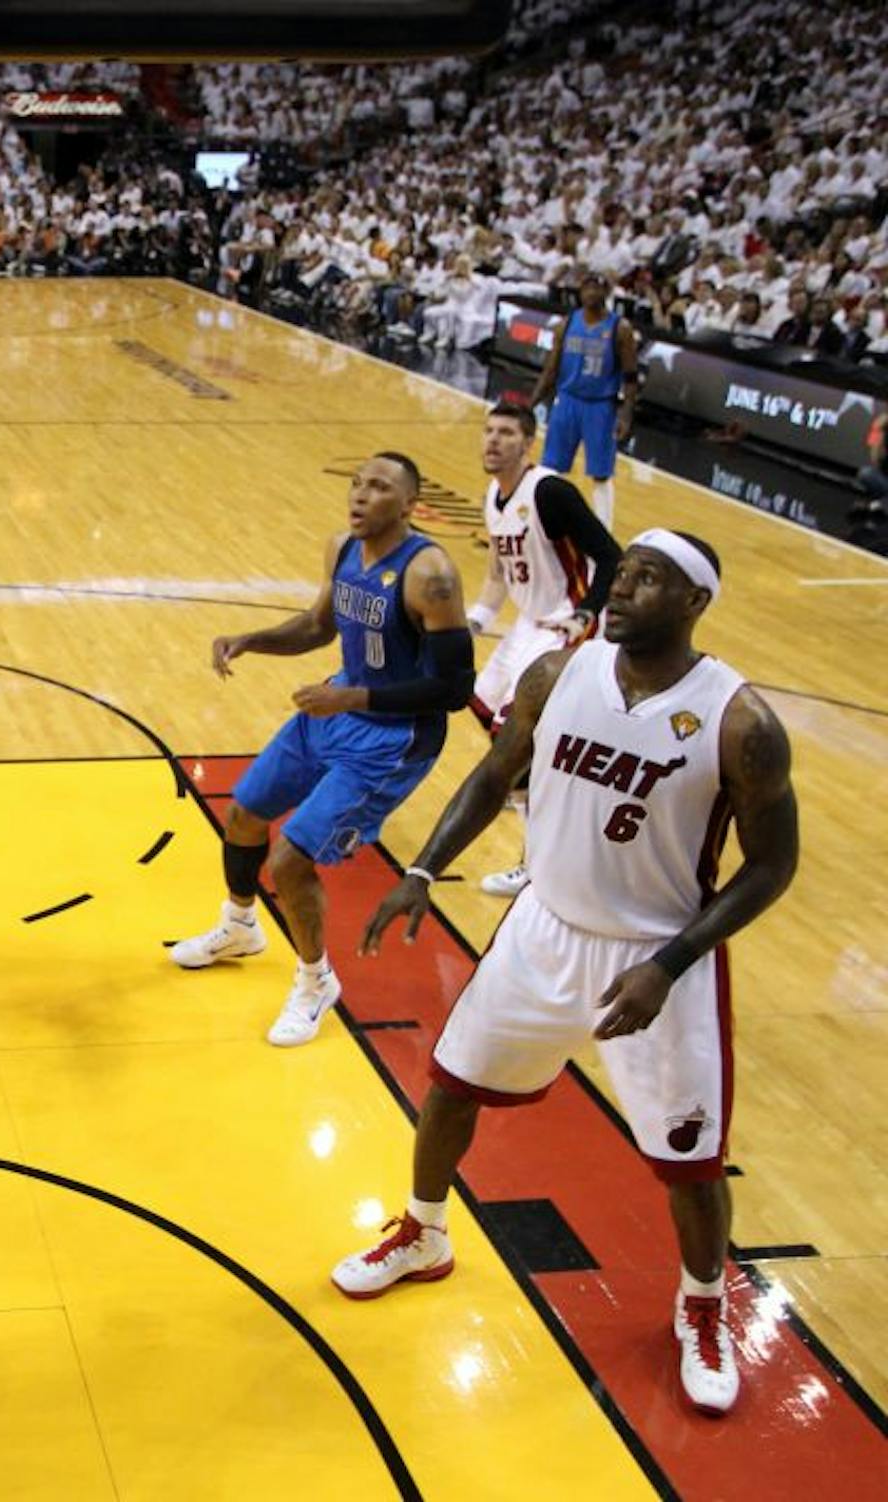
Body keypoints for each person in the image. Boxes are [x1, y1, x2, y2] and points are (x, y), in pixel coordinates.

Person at [342, 529, 799, 1418]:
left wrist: (668, 965)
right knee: (450, 1088)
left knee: (691, 1161)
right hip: (543, 929)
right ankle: (423, 1234)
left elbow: (771, 866)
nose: (621, 587)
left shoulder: (740, 722)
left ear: (696, 602)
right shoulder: (557, 675)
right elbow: (492, 772)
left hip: (657, 954)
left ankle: (702, 1307)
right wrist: (422, 870)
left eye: (650, 579)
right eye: (622, 571)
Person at [171, 454, 472, 1045]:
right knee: (243, 813)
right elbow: (318, 627)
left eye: (379, 488)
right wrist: (251, 640)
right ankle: (239, 927)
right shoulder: (341, 549)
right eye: (357, 484)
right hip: (338, 707)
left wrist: (356, 697)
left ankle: (316, 983)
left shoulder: (429, 574)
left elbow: (455, 690)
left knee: (288, 860)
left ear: (410, 504)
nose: (360, 495)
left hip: (394, 739)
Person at [465, 402, 620, 896]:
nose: (493, 440)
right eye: (488, 431)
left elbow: (612, 555)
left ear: (527, 443)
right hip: (527, 624)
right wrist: (476, 620)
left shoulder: (549, 491)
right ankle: (537, 794)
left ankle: (537, 862)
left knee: (515, 734)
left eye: (506, 433)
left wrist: (586, 613)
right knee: (481, 699)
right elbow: (498, 573)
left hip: (564, 625)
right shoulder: (494, 495)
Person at [529, 271, 639, 526]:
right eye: (586, 287)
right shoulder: (566, 324)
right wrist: (530, 404)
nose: (591, 293)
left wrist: (626, 413)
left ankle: (604, 529)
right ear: (580, 292)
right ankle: (545, 519)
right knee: (551, 468)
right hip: (567, 400)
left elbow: (630, 375)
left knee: (600, 473)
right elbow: (551, 369)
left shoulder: (619, 328)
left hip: (600, 405)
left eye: (597, 288)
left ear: (606, 293)